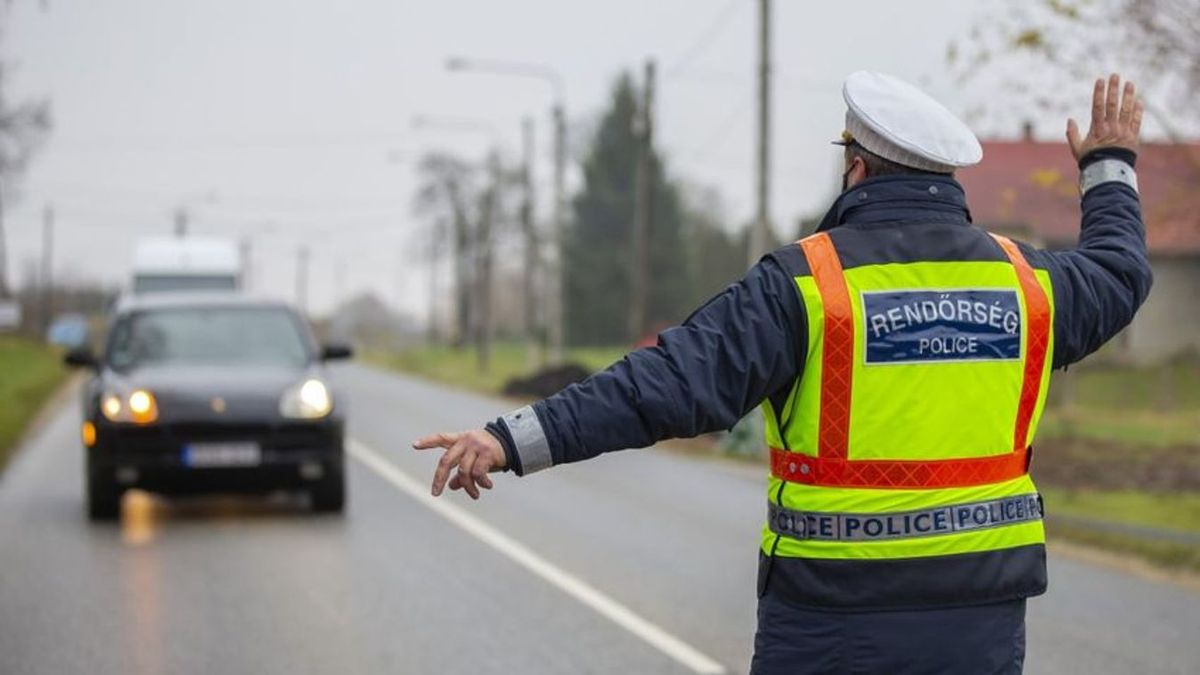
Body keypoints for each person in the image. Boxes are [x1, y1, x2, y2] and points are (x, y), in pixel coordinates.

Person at [413, 72, 1151, 674]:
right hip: (981, 625)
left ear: (856, 166)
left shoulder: (807, 284)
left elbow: (663, 384)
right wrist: (1109, 168)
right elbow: (1120, 273)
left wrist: (513, 438)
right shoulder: (1027, 285)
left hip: (832, 625)